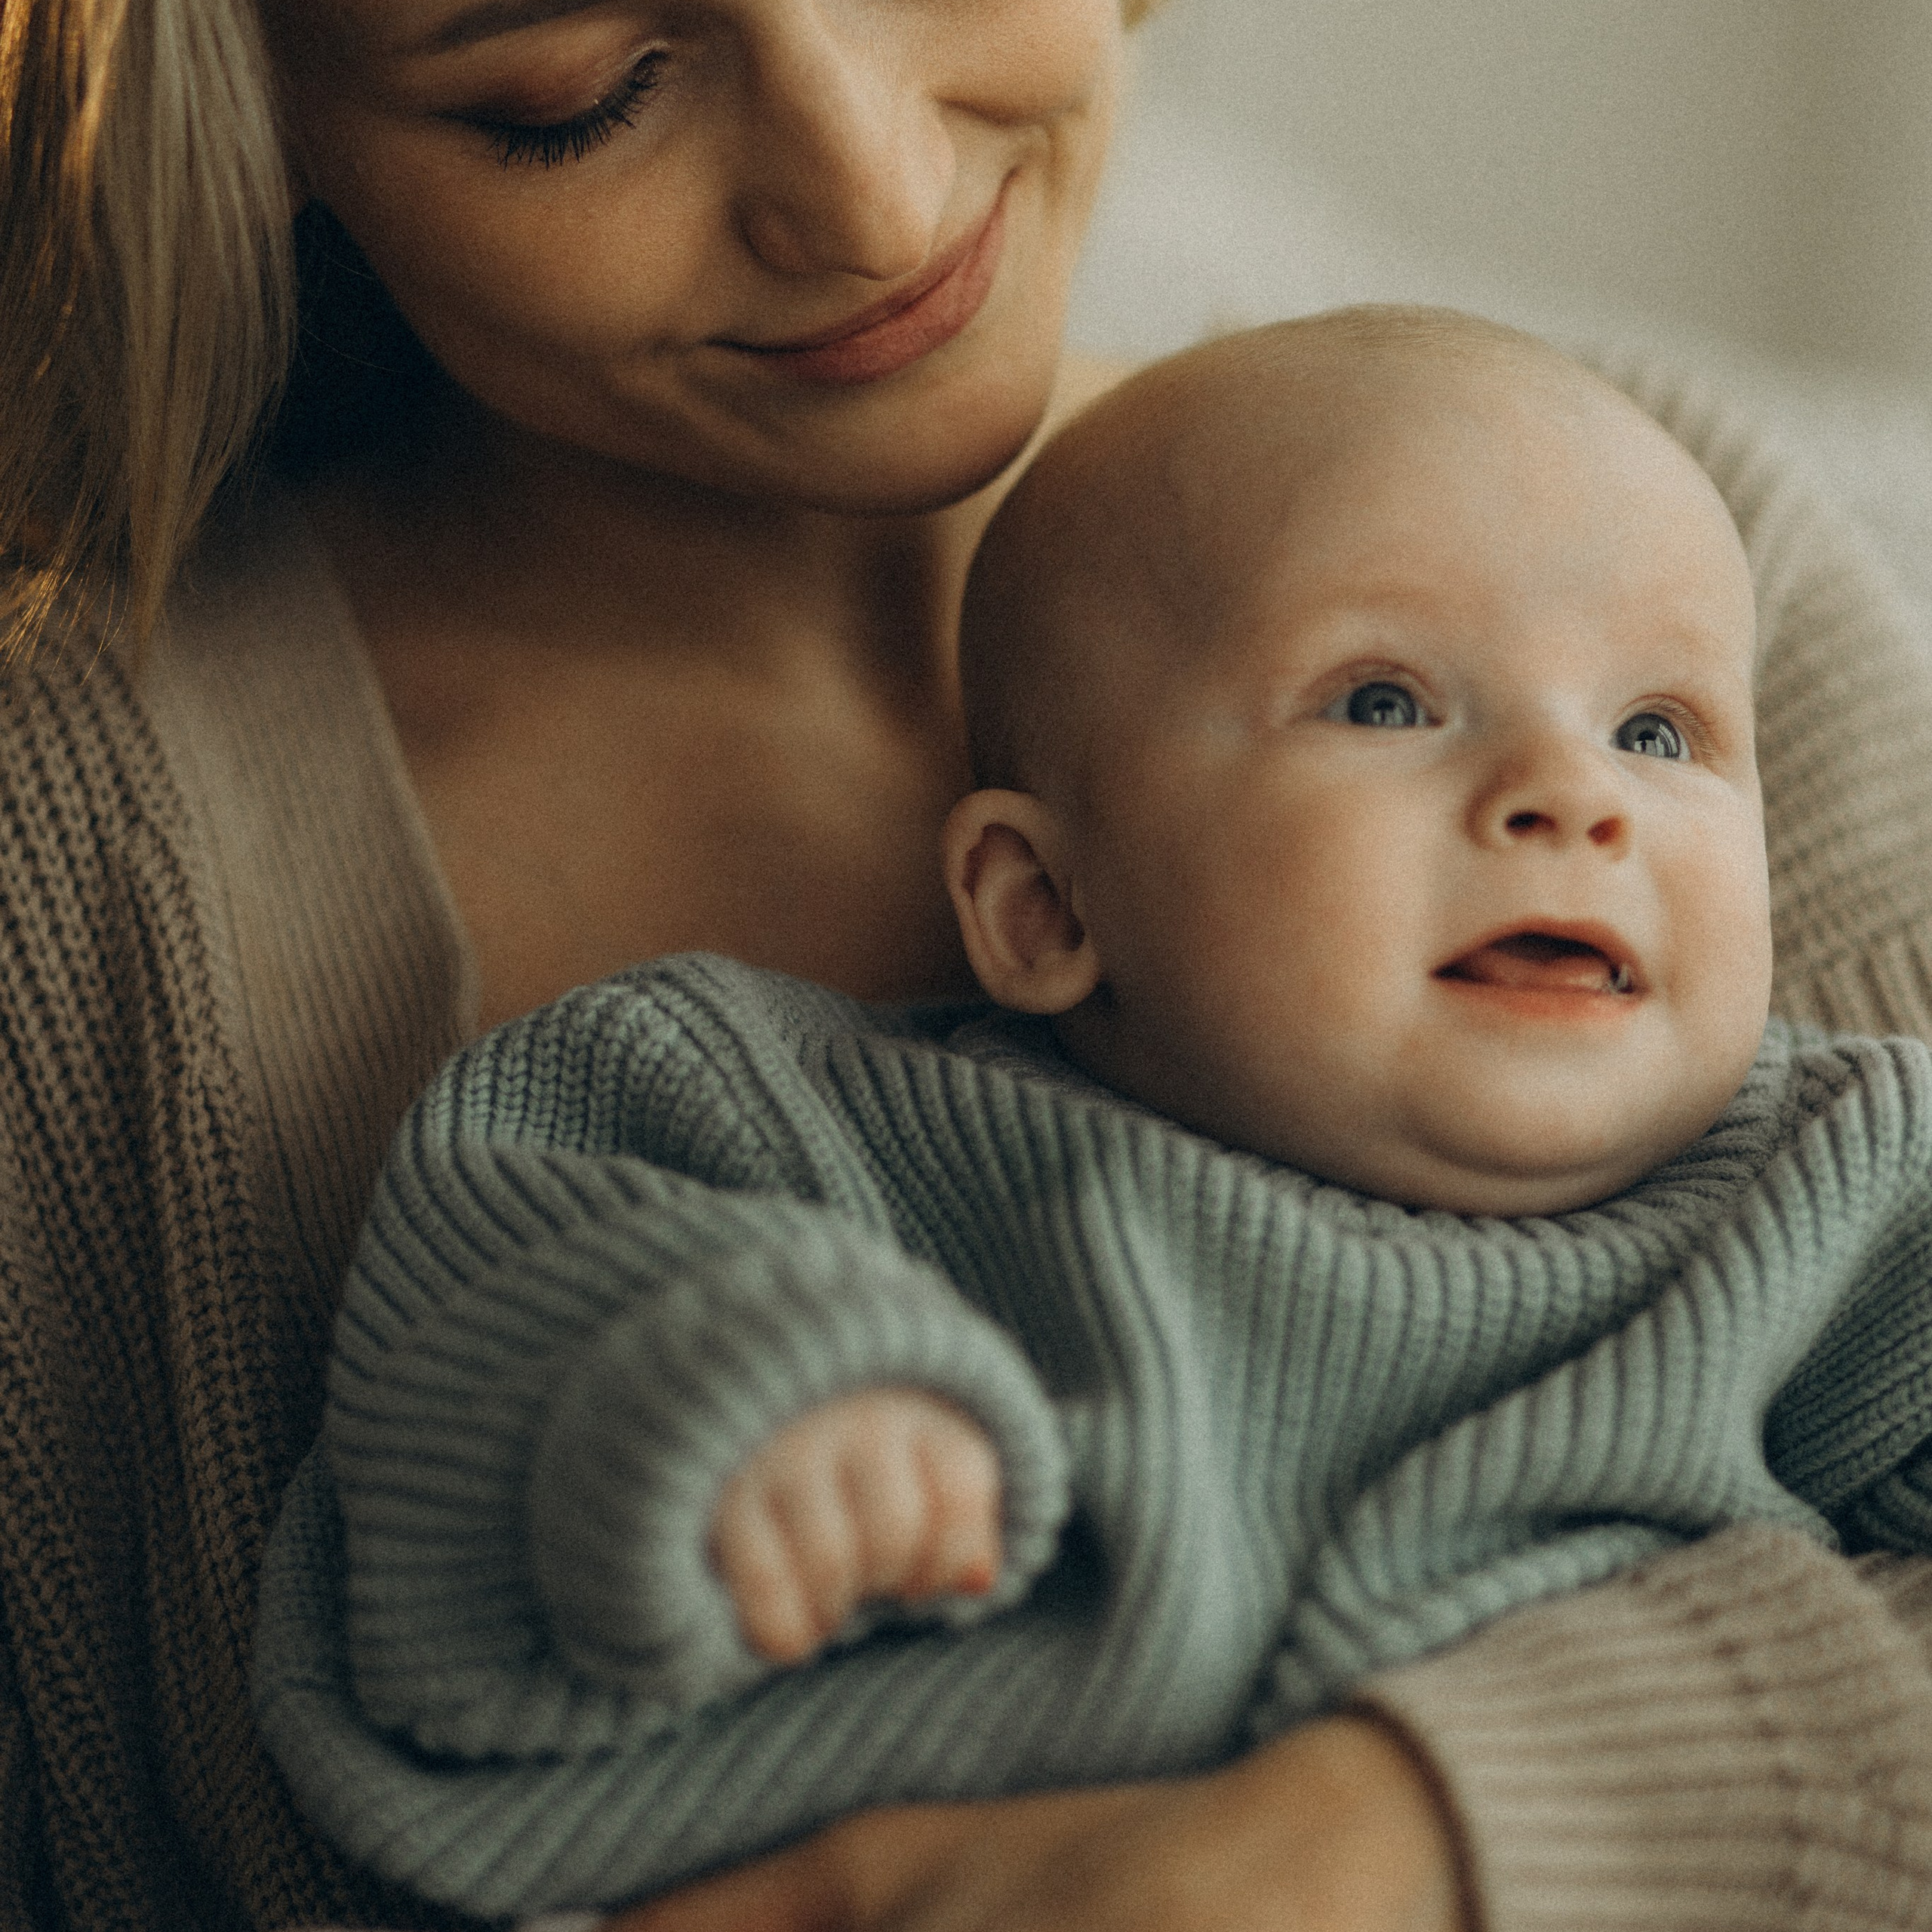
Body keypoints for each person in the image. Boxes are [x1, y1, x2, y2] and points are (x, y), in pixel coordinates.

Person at [7, 0, 1932, 1927]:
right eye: (575, 96)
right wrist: (748, 1423)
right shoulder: (118, 890)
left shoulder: (1633, 549)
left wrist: (1390, 1840)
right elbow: (523, 1332)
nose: (872, 197)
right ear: (251, 101)